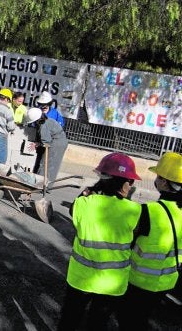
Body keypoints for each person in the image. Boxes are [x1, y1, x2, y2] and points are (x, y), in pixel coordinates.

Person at [57, 152, 142, 330]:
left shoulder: (83, 203)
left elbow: (75, 214)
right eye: (130, 181)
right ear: (124, 182)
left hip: (81, 279)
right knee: (97, 323)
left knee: (70, 319)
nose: (131, 185)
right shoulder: (135, 210)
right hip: (112, 282)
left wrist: (90, 190)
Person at [120, 152, 182, 330]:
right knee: (142, 318)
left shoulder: (149, 211)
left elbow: (127, 240)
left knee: (129, 321)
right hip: (167, 282)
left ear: (163, 182)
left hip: (139, 282)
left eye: (158, 176)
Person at [25, 107, 68, 182]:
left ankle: (41, 184)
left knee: (46, 164)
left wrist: (37, 144)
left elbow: (46, 142)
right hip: (60, 141)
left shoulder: (43, 126)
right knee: (51, 165)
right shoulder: (48, 120)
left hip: (56, 143)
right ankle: (45, 184)